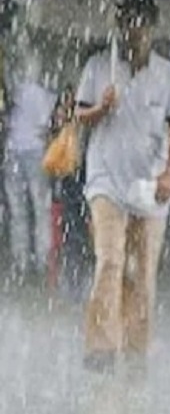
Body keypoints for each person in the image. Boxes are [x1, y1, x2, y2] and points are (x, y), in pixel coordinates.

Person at [74, 0, 170, 373]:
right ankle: (102, 347)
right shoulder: (97, 66)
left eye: (140, 23)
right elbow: (78, 117)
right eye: (126, 22)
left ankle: (136, 347)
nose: (133, 31)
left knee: (141, 271)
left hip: (150, 183)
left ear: (152, 27)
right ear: (118, 26)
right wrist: (100, 108)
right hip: (105, 178)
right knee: (109, 260)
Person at [3, 40, 56, 285]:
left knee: (18, 211)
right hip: (35, 152)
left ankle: (20, 260)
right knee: (40, 208)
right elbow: (47, 127)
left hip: (13, 151)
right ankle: (42, 260)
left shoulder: (12, 93)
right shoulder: (43, 95)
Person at [50, 84, 91, 301]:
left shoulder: (84, 115)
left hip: (78, 177)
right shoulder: (75, 116)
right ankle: (75, 281)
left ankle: (77, 280)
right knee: (74, 231)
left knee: (76, 231)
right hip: (74, 176)